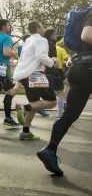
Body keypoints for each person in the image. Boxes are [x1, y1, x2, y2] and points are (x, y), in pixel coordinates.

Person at [37, 9, 92, 176]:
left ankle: (50, 149)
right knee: (69, 113)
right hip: (88, 69)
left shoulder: (86, 13)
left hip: (80, 68)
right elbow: (87, 35)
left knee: (69, 115)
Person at [13, 21, 57, 141]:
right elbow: (41, 56)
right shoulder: (41, 40)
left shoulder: (28, 40)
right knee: (52, 102)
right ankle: (23, 108)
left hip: (24, 74)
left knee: (35, 103)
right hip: (35, 74)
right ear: (38, 28)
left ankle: (25, 131)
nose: (44, 29)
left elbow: (25, 58)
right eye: (42, 26)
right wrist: (52, 62)